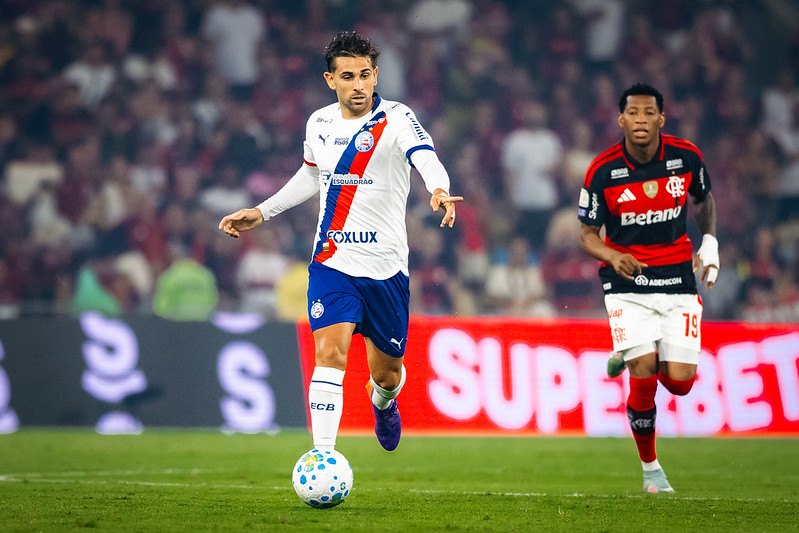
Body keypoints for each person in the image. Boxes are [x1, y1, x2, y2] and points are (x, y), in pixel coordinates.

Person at [218, 31, 462, 452]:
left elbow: (425, 157)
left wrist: (438, 189)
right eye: (348, 77)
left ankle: (383, 402)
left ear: (376, 75)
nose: (358, 85)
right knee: (329, 354)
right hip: (332, 262)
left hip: (386, 270)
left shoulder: (397, 118)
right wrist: (262, 211)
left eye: (365, 75)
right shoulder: (319, 123)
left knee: (387, 375)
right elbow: (311, 174)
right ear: (330, 80)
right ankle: (323, 456)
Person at [577, 83, 719, 493]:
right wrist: (611, 254)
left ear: (661, 118)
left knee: (681, 383)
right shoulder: (602, 171)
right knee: (643, 371)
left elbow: (704, 200)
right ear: (621, 120)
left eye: (648, 113)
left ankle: (628, 350)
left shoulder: (686, 157)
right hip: (627, 283)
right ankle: (651, 471)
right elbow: (587, 234)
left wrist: (710, 242)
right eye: (633, 114)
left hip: (677, 281)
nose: (641, 120)